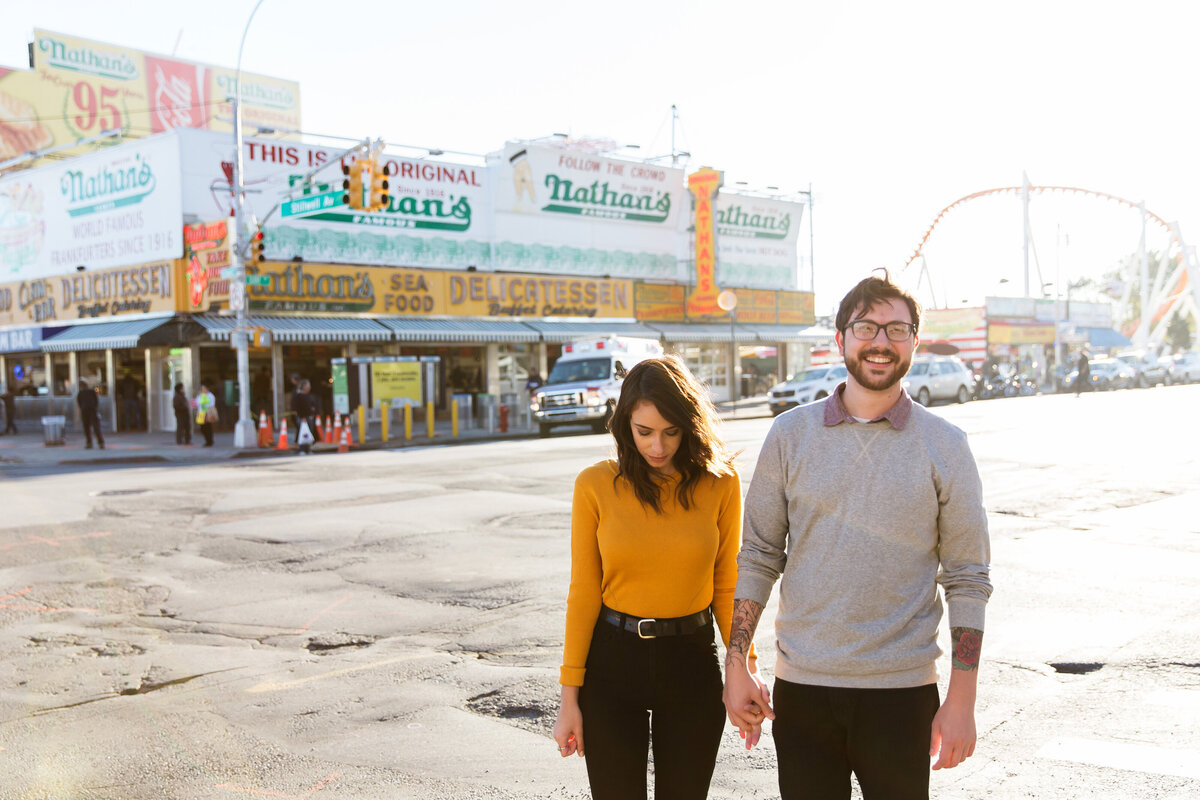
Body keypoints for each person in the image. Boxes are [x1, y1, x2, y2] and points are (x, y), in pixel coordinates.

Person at [723, 270, 993, 800]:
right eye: (866, 327)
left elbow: (968, 578)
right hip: (802, 689)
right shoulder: (789, 434)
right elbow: (757, 555)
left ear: (915, 341)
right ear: (841, 338)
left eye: (897, 330)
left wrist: (963, 699)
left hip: (902, 692)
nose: (881, 342)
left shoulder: (946, 446)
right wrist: (736, 666)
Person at [551, 355, 755, 800]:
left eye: (671, 432)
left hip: (692, 661)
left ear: (690, 426)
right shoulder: (594, 485)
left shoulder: (720, 483)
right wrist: (569, 698)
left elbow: (727, 584)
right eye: (644, 432)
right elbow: (583, 592)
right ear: (625, 425)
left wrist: (745, 668)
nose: (657, 447)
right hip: (611, 664)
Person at [291, 378, 318, 455]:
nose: (309, 387)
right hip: (302, 418)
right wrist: (302, 417)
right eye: (307, 386)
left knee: (309, 433)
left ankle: (309, 449)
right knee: (302, 433)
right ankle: (302, 449)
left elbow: (312, 405)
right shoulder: (298, 396)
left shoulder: (309, 396)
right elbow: (297, 408)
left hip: (310, 417)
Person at [75, 380, 105, 450]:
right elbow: (96, 401)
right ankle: (100, 442)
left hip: (85, 411)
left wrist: (82, 408)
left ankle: (89, 443)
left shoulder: (80, 393)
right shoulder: (92, 392)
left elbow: (79, 402)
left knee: (87, 428)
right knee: (96, 427)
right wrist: (95, 408)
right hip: (92, 411)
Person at [194, 383, 218, 447]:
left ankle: (209, 441)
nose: (203, 390)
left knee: (208, 427)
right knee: (202, 428)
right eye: (202, 388)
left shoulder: (210, 395)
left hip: (207, 413)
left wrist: (204, 404)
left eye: (204, 388)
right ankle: (207, 440)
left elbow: (212, 404)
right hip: (201, 413)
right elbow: (197, 402)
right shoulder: (200, 395)